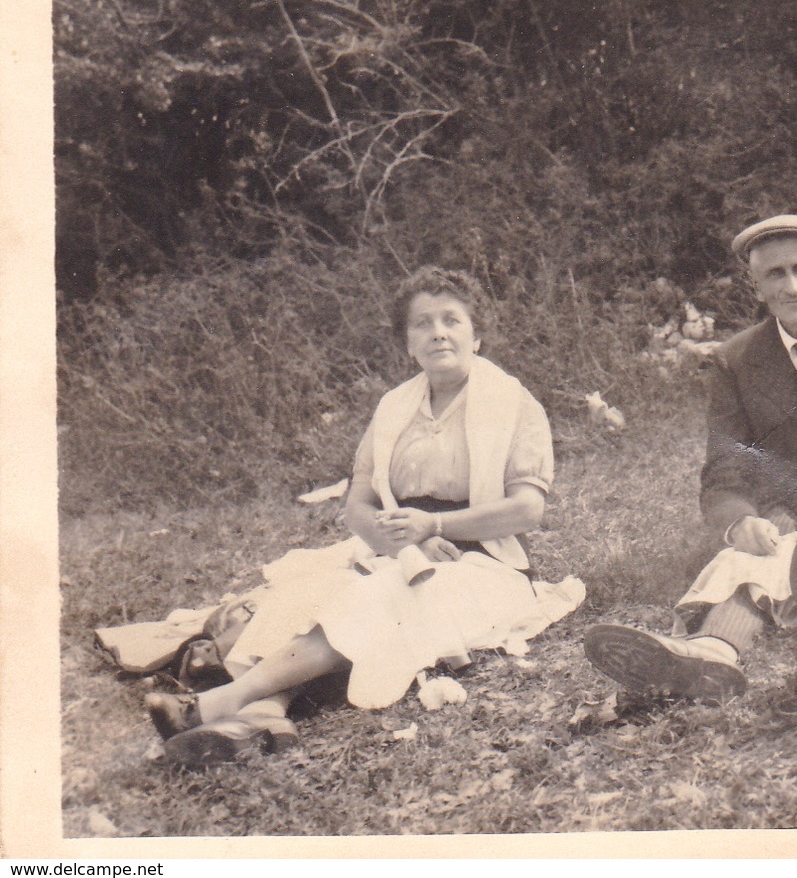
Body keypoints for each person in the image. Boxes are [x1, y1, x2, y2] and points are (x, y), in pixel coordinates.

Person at [143, 267, 574, 765]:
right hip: (397, 549)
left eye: (452, 320)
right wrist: (403, 543)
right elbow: (358, 506)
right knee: (310, 594)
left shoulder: (513, 403)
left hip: (484, 561)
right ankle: (266, 712)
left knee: (377, 598)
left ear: (476, 336)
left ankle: (214, 705)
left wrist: (434, 527)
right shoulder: (394, 408)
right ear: (408, 343)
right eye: (421, 324)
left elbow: (528, 510)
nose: (438, 332)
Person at [584, 215, 797, 700]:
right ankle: (711, 655)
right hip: (784, 516)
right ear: (755, 286)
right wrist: (740, 523)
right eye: (774, 274)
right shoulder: (736, 359)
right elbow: (725, 471)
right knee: (746, 563)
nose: (792, 286)